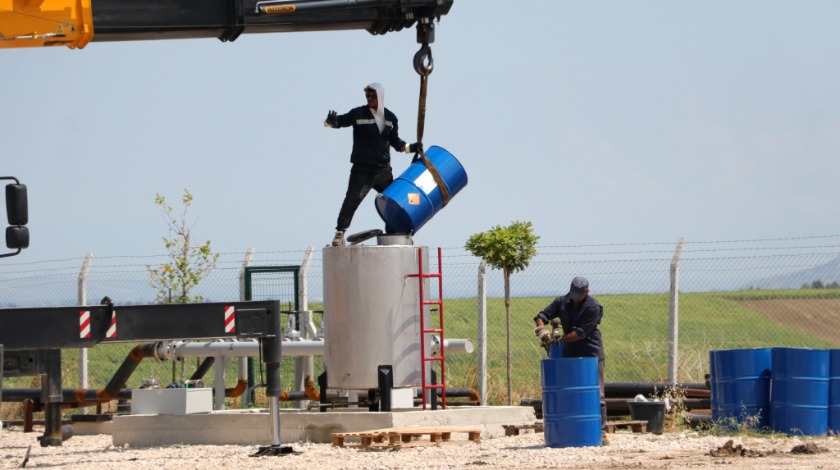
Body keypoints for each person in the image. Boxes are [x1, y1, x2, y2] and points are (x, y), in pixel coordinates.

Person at [324, 83, 421, 246]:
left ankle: (394, 232)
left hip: (383, 170)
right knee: (353, 199)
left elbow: (395, 142)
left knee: (393, 200)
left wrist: (411, 147)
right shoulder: (358, 113)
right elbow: (340, 121)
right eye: (367, 96)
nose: (370, 99)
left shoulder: (390, 118)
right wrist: (330, 122)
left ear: (380, 97)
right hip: (362, 169)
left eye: (373, 96)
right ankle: (340, 233)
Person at [533, 276, 607, 431]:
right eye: (573, 295)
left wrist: (558, 339)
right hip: (569, 354)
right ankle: (573, 428)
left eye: (578, 296)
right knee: (569, 391)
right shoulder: (561, 302)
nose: (574, 300)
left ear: (586, 292)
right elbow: (541, 316)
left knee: (597, 393)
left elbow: (580, 334)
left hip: (591, 354)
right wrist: (541, 331)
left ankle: (599, 431)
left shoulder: (593, 307)